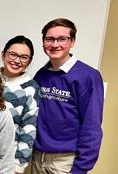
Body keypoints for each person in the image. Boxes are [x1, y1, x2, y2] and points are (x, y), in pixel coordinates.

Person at [32, 18, 104, 174]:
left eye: (62, 39)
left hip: (65, 162)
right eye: (49, 39)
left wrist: (80, 168)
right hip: (38, 157)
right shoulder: (41, 74)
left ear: (72, 42)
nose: (55, 44)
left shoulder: (88, 76)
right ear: (43, 42)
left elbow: (92, 125)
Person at [0, 35, 40, 173]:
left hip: (8, 162)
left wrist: (18, 165)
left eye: (24, 57)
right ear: (3, 54)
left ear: (29, 61)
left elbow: (29, 128)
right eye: (13, 54)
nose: (17, 60)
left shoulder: (30, 88)